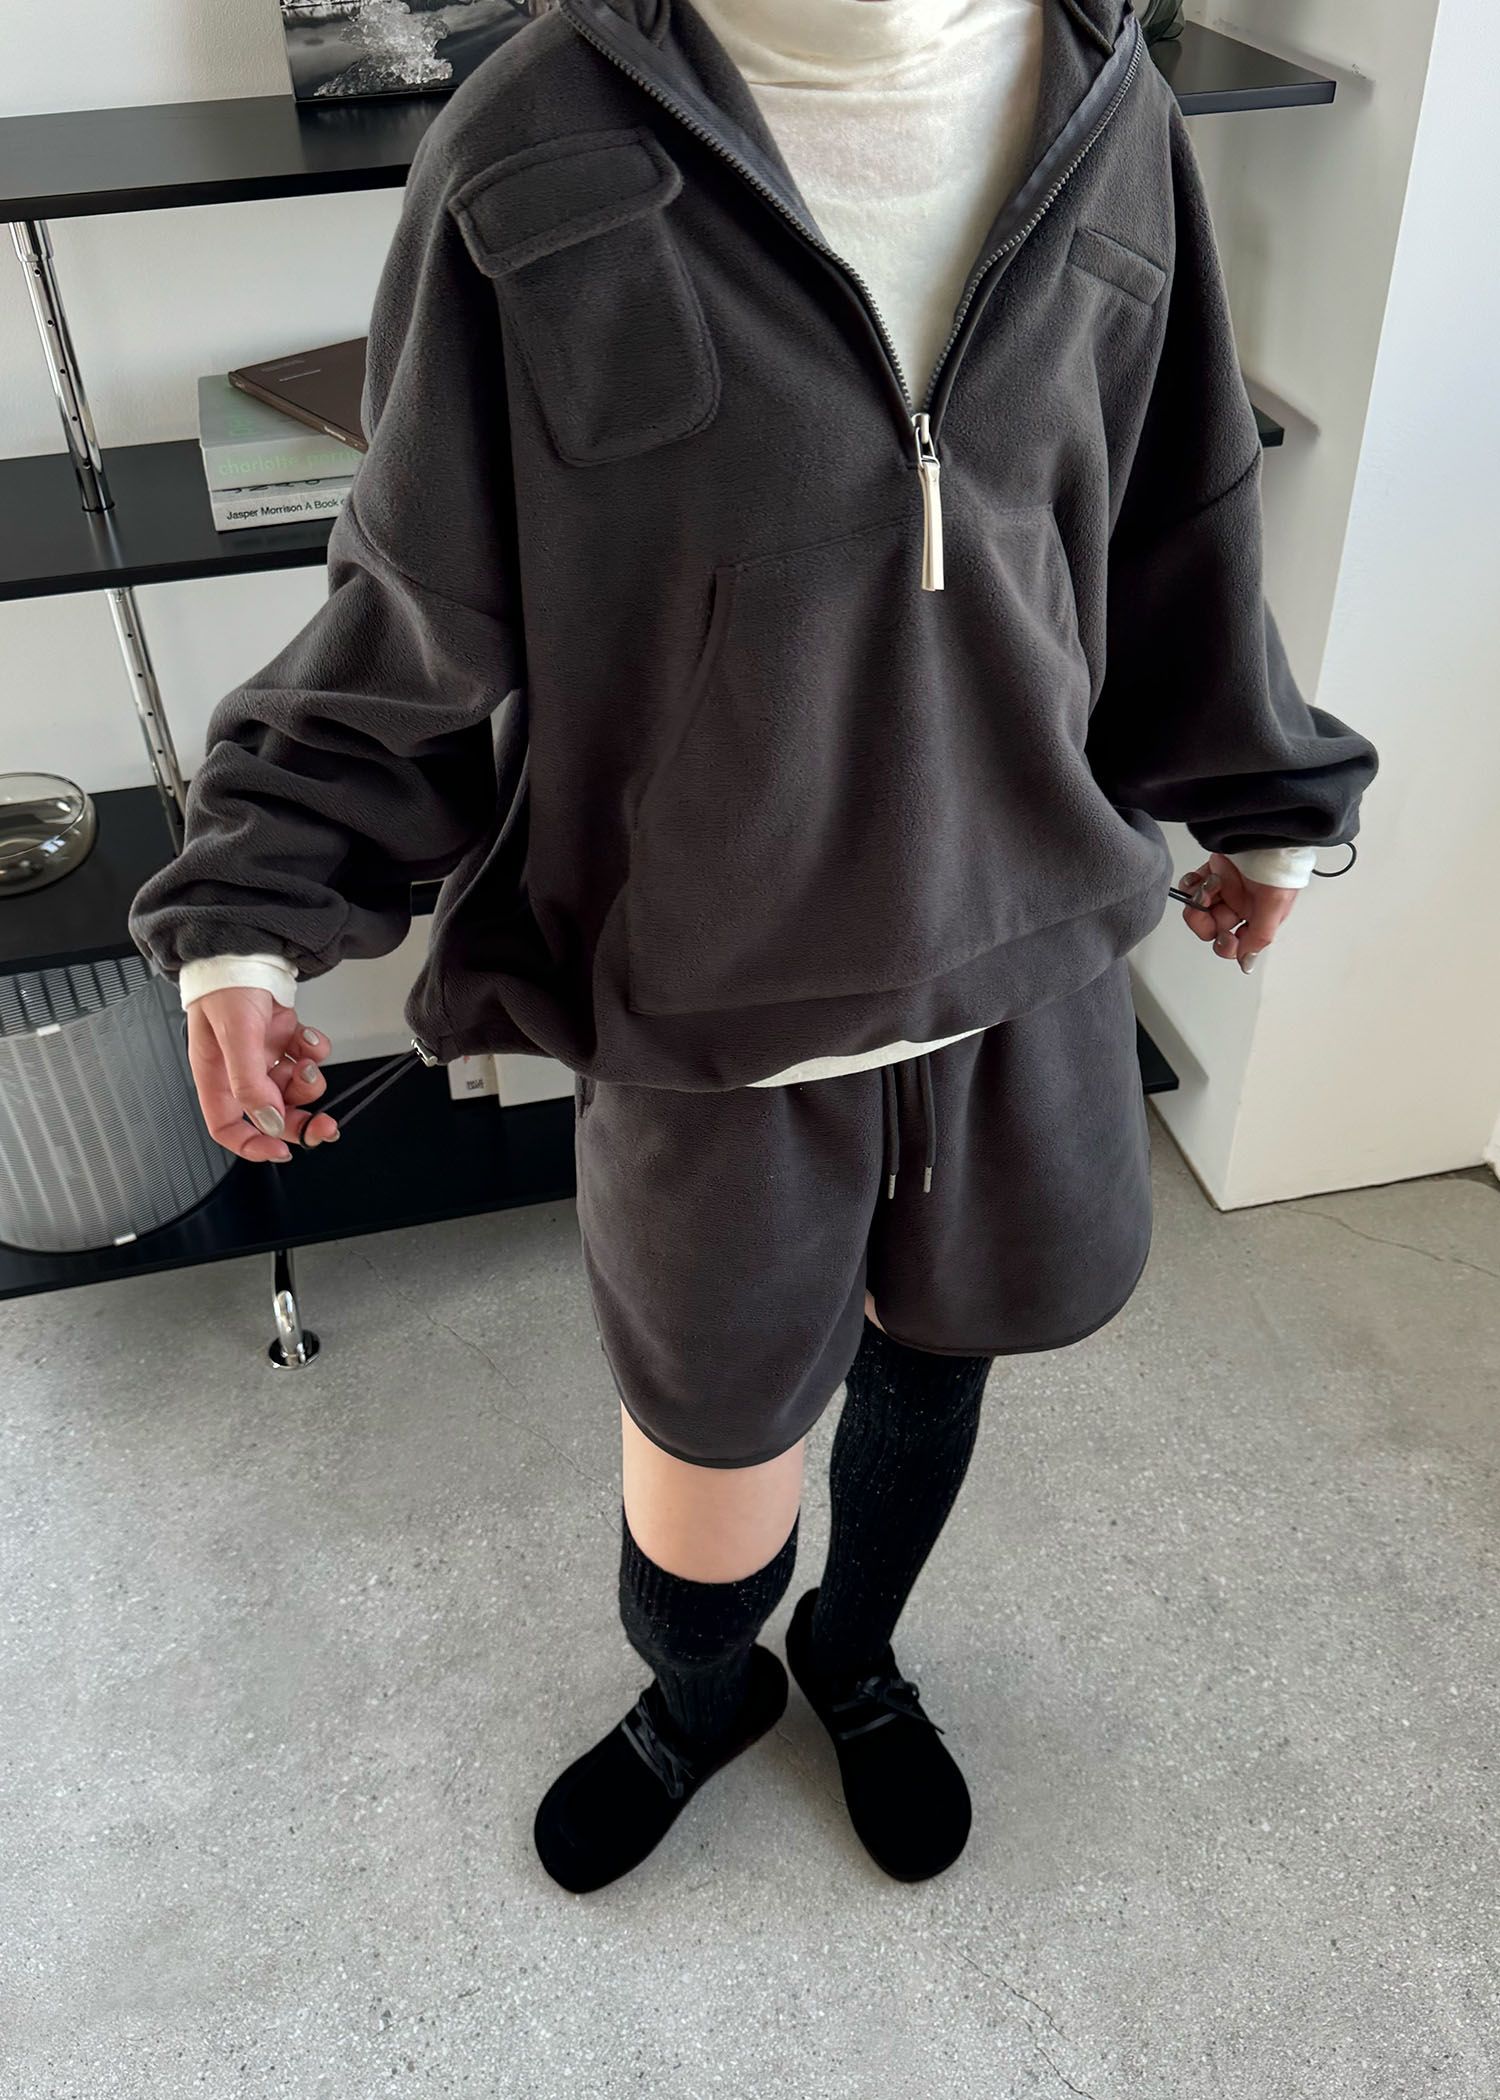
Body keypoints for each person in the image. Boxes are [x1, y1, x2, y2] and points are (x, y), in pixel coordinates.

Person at [129, 0, 1378, 1892]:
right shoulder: (535, 141)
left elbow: (1170, 521)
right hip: (708, 997)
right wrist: (251, 915)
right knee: (708, 1478)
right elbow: (418, 597)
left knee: (942, 1356)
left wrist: (1265, 800)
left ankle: (857, 1657)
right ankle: (699, 1698)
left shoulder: (1109, 106)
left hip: (1019, 957)